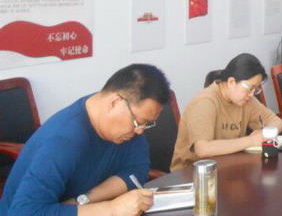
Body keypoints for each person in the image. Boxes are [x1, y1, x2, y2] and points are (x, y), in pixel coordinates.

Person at [0, 64, 170, 216]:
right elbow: (24, 212)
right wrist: (111, 209)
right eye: (139, 122)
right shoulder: (62, 140)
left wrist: (84, 200)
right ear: (114, 102)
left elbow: (136, 171)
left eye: (147, 124)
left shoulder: (127, 125)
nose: (140, 131)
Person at [171, 53, 282, 170]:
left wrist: (265, 134)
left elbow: (277, 121)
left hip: (228, 166)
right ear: (231, 82)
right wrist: (251, 141)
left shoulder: (246, 99)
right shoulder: (205, 102)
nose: (252, 94)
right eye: (250, 88)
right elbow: (203, 149)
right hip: (192, 172)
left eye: (255, 90)